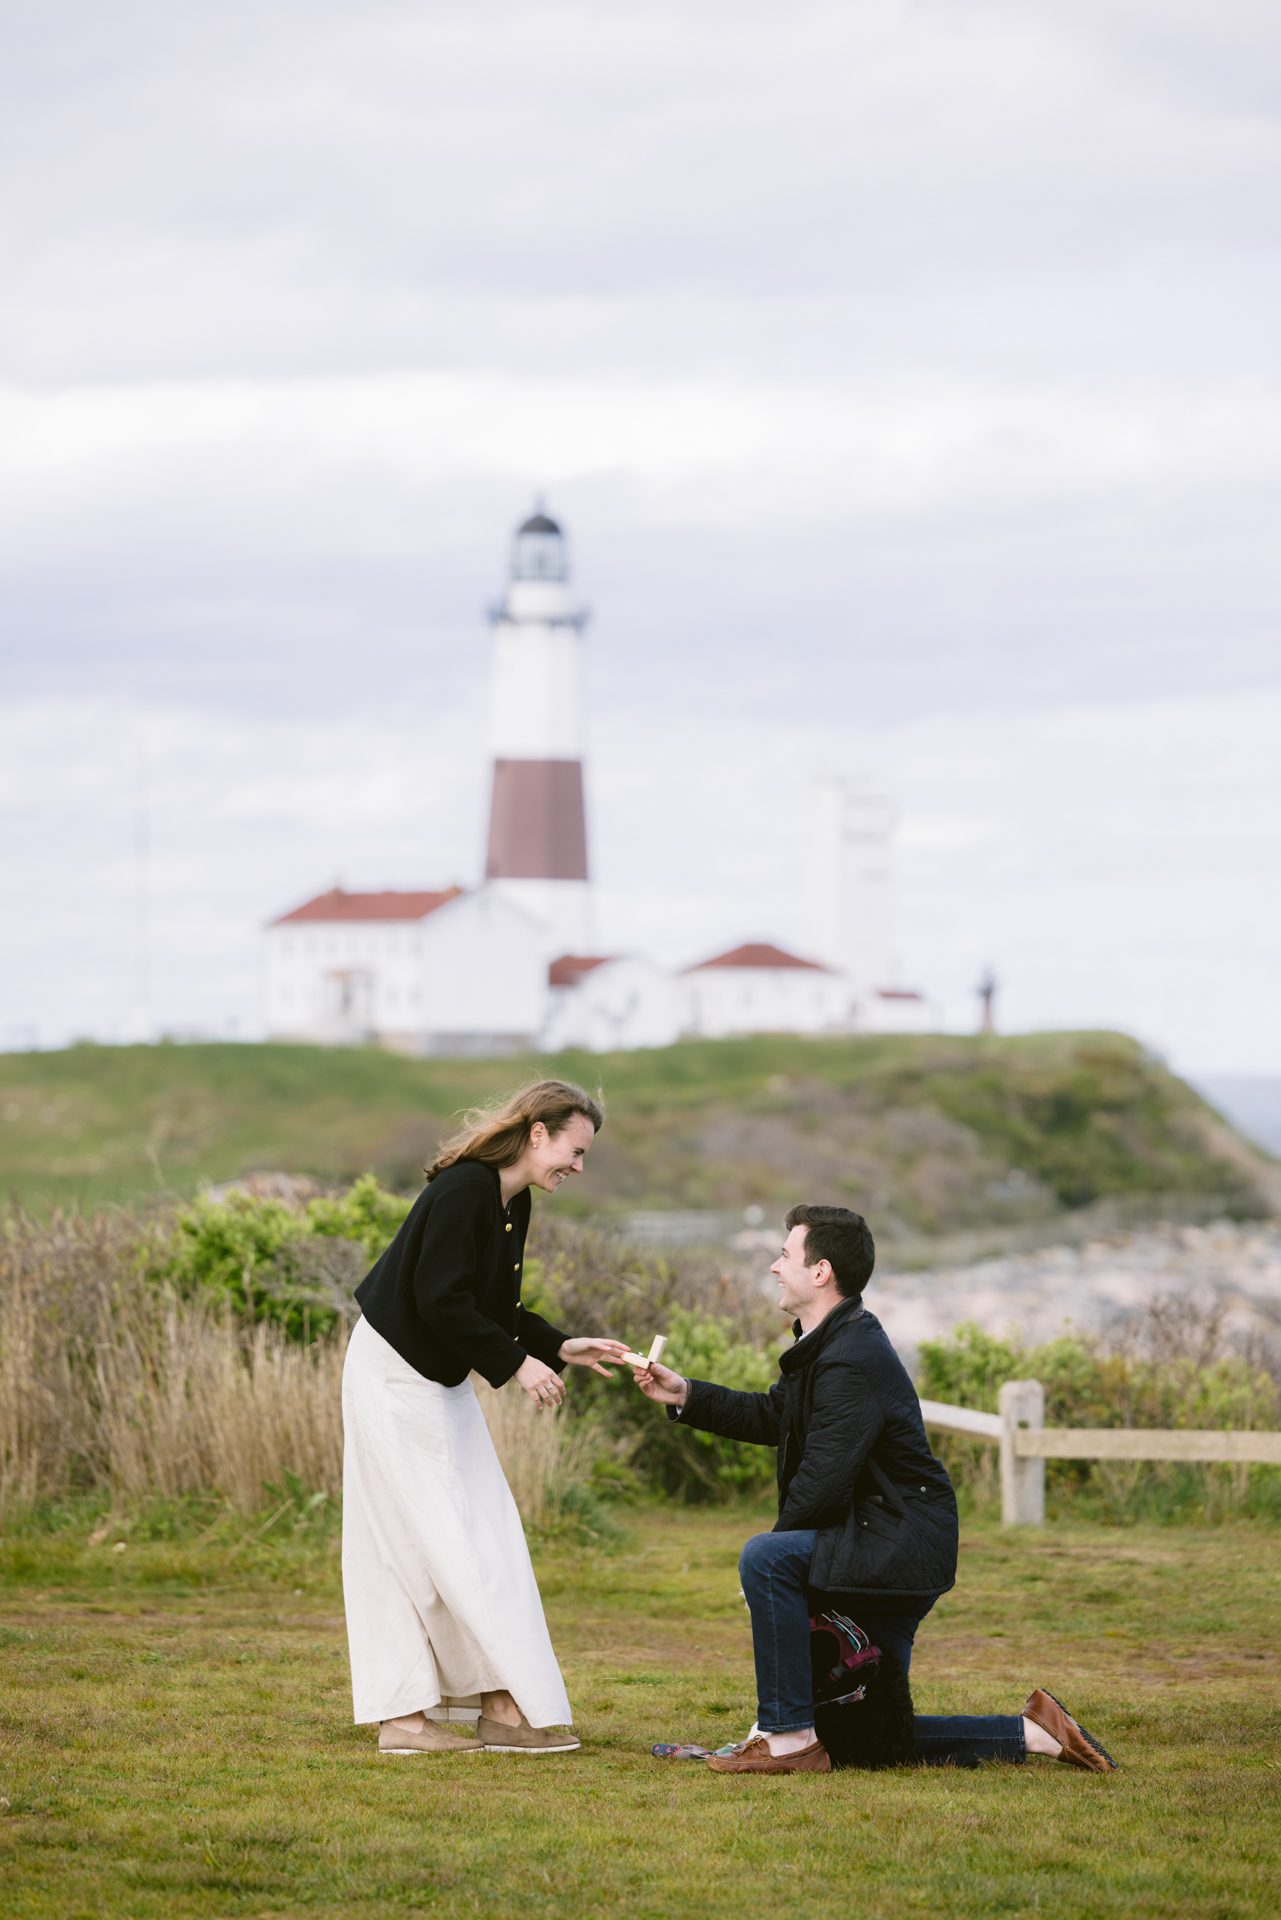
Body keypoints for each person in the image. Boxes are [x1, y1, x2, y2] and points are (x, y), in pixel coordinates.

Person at [634, 1203, 1119, 1776]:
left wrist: (772, 1572)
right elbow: (774, 1416)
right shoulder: (829, 1344)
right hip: (883, 1539)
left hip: (896, 1542)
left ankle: (787, 1741)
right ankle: (1034, 1732)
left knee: (766, 1559)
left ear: (821, 1272)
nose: (773, 1266)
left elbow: (823, 1479)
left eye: (785, 1255)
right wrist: (685, 1393)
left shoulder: (849, 1359)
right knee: (868, 1741)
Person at [342, 1079, 629, 1756]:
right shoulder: (465, 1190)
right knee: (423, 1543)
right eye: (574, 1150)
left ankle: (501, 1706)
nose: (578, 1167)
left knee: (484, 1536)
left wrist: (558, 1346)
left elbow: (492, 1307)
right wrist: (515, 1366)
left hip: (435, 1379)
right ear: (538, 1134)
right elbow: (439, 1301)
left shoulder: (511, 1200)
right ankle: (405, 1720)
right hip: (392, 1378)